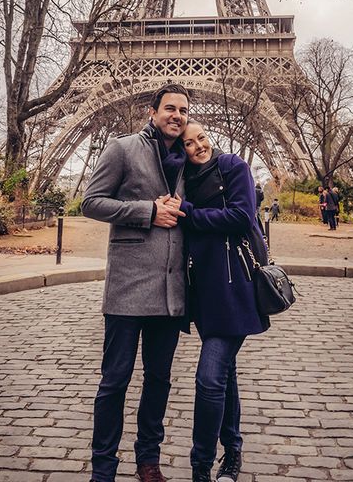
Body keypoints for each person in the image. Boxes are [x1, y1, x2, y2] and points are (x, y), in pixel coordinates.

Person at [81, 84, 190, 482]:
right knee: (115, 381)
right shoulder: (122, 148)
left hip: (170, 292)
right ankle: (103, 469)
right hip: (128, 288)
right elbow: (91, 202)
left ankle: (149, 460)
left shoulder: (189, 160)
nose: (176, 115)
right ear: (152, 111)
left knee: (159, 381)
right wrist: (147, 211)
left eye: (182, 110)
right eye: (169, 109)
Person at [167, 121, 270, 482]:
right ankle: (234, 451)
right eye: (189, 143)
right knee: (224, 375)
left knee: (209, 378)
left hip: (235, 292)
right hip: (205, 294)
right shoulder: (181, 181)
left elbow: (243, 217)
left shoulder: (233, 167)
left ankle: (200, 467)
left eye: (202, 138)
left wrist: (190, 214)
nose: (198, 146)